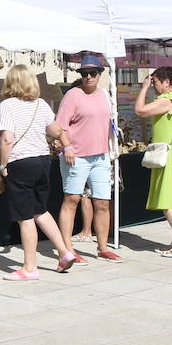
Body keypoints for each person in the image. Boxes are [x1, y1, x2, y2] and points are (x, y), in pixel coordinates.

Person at [0, 64, 81, 281]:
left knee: (25, 217)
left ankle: (29, 267)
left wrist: (2, 165)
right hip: (43, 161)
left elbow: (7, 139)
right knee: (40, 211)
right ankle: (64, 252)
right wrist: (66, 144)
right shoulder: (41, 104)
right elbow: (55, 130)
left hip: (20, 162)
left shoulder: (7, 105)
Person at [54, 54, 121, 262]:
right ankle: (67, 249)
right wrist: (67, 147)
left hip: (100, 155)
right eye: (84, 74)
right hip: (77, 156)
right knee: (72, 199)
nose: (88, 77)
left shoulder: (105, 96)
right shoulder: (73, 95)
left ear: (100, 74)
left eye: (93, 73)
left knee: (102, 201)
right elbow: (59, 126)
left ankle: (102, 247)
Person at [135, 67, 172, 257]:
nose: (153, 85)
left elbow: (140, 110)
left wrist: (143, 89)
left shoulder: (168, 100)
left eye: (155, 82)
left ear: (166, 82)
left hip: (171, 154)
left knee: (167, 198)